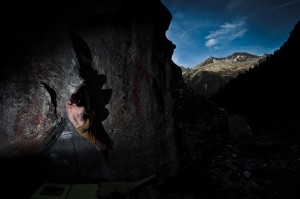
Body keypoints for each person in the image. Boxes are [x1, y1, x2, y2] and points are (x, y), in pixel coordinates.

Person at [65, 80, 107, 151]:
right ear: (78, 102)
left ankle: (104, 147)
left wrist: (80, 84)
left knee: (92, 139)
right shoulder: (81, 109)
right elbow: (88, 113)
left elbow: (74, 93)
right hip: (85, 124)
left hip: (78, 129)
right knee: (93, 113)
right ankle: (96, 122)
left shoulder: (67, 105)